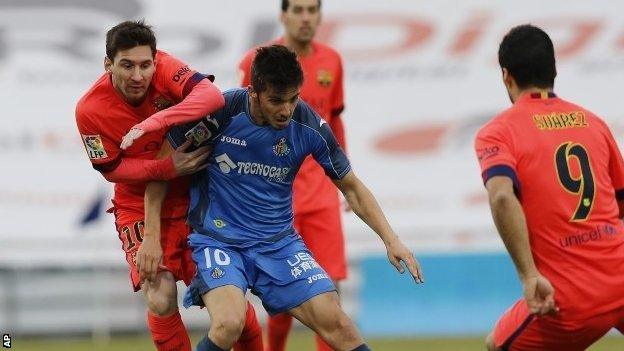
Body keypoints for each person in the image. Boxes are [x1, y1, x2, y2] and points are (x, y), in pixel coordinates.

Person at [146, 45, 424, 351]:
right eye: (276, 100)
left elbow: (352, 188)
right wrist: (150, 236)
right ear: (253, 92)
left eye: (293, 98)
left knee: (340, 325)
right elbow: (161, 169)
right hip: (219, 240)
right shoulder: (220, 112)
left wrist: (391, 239)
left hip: (278, 244)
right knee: (229, 323)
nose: (286, 110)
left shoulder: (308, 125)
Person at [75, 20, 262, 351]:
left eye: (145, 65)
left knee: (228, 307)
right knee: (159, 297)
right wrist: (166, 167)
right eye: (127, 65)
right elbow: (112, 169)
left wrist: (156, 121)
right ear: (108, 64)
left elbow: (211, 97)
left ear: (155, 60)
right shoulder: (89, 110)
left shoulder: (165, 69)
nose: (138, 76)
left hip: (195, 201)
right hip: (137, 207)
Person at [475, 24, 624, 351]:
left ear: (506, 76)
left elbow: (501, 197)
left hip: (571, 297)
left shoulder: (497, 133)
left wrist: (529, 276)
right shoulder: (594, 123)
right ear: (554, 70)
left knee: (496, 344)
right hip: (620, 279)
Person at [238, 1, 347, 349]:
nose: (305, 17)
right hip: (273, 195)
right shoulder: (257, 62)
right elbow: (243, 122)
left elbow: (335, 119)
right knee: (282, 295)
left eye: (311, 10)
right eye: (297, 9)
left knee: (328, 293)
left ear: (319, 16)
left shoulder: (332, 61)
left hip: (320, 195)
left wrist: (342, 177)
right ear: (283, 15)